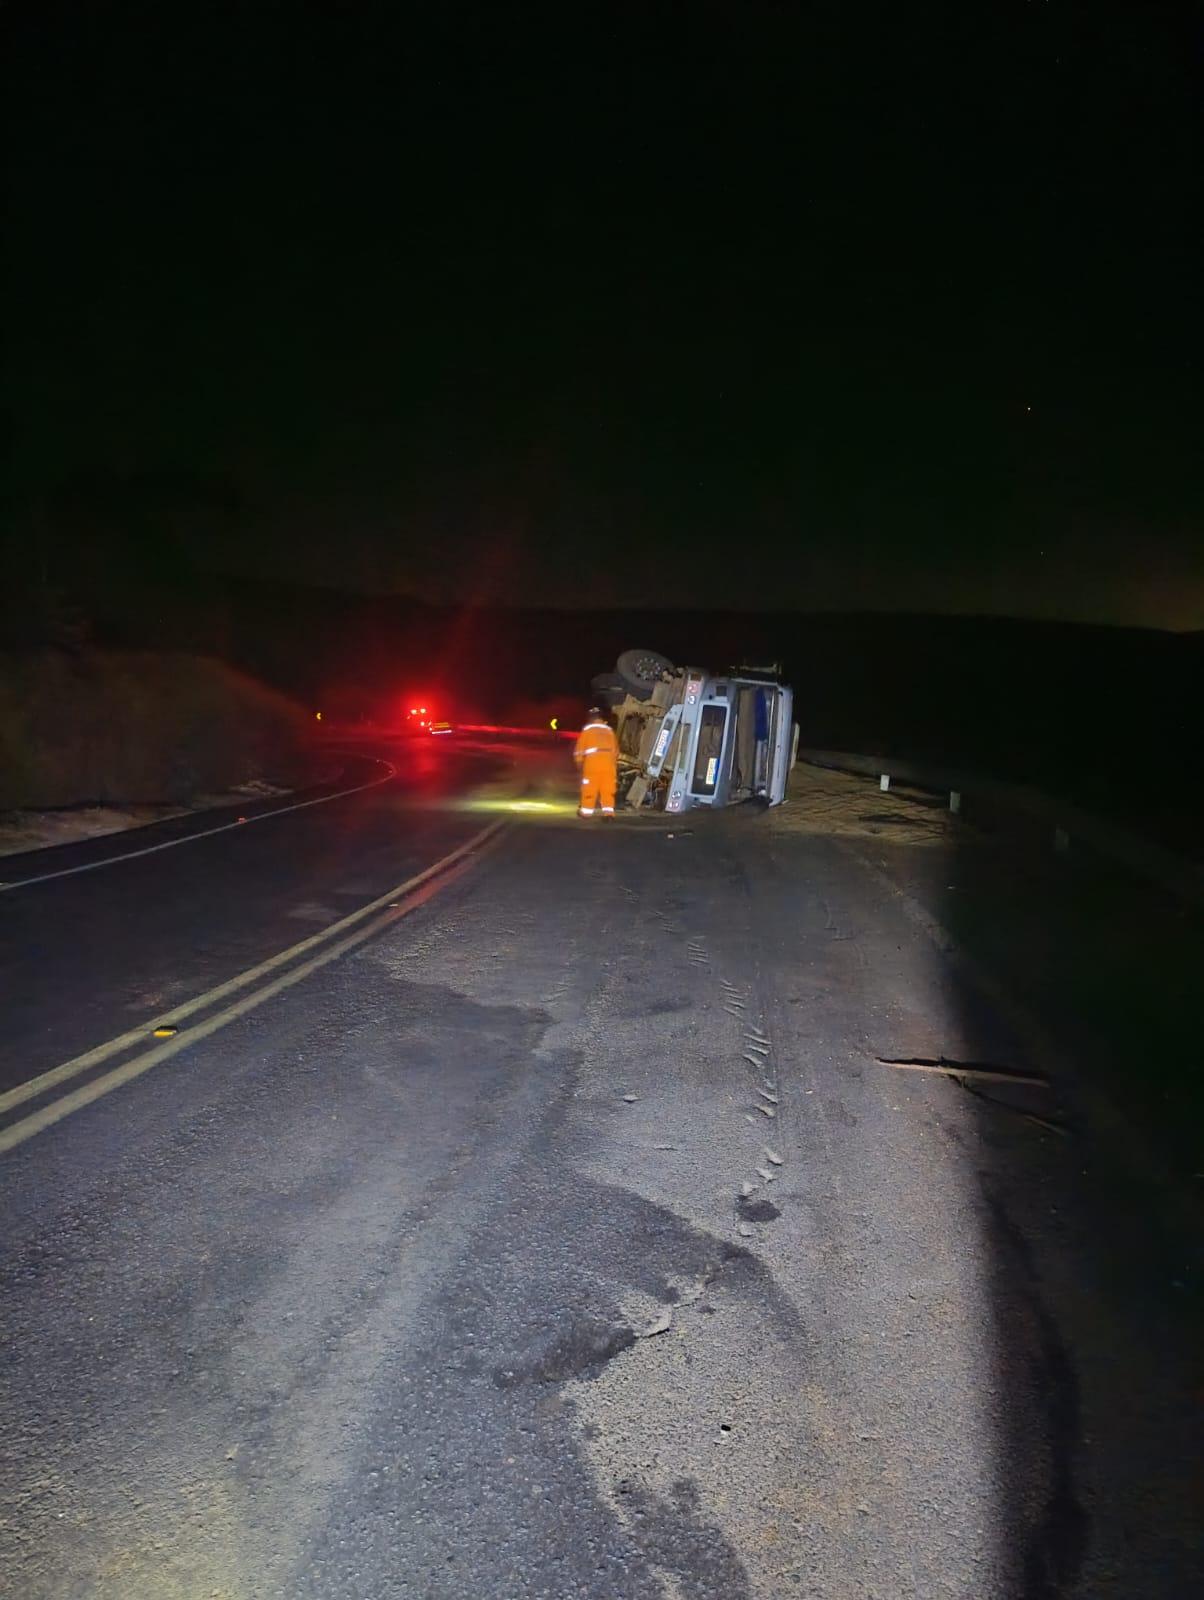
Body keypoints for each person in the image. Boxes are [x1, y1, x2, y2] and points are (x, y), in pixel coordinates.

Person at [573, 706, 618, 818]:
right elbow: (616, 751)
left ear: (591, 718)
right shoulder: (609, 730)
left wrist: (579, 764)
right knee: (607, 789)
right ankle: (609, 813)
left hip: (592, 765)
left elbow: (579, 750)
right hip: (608, 765)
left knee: (589, 788)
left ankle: (586, 812)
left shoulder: (588, 730)